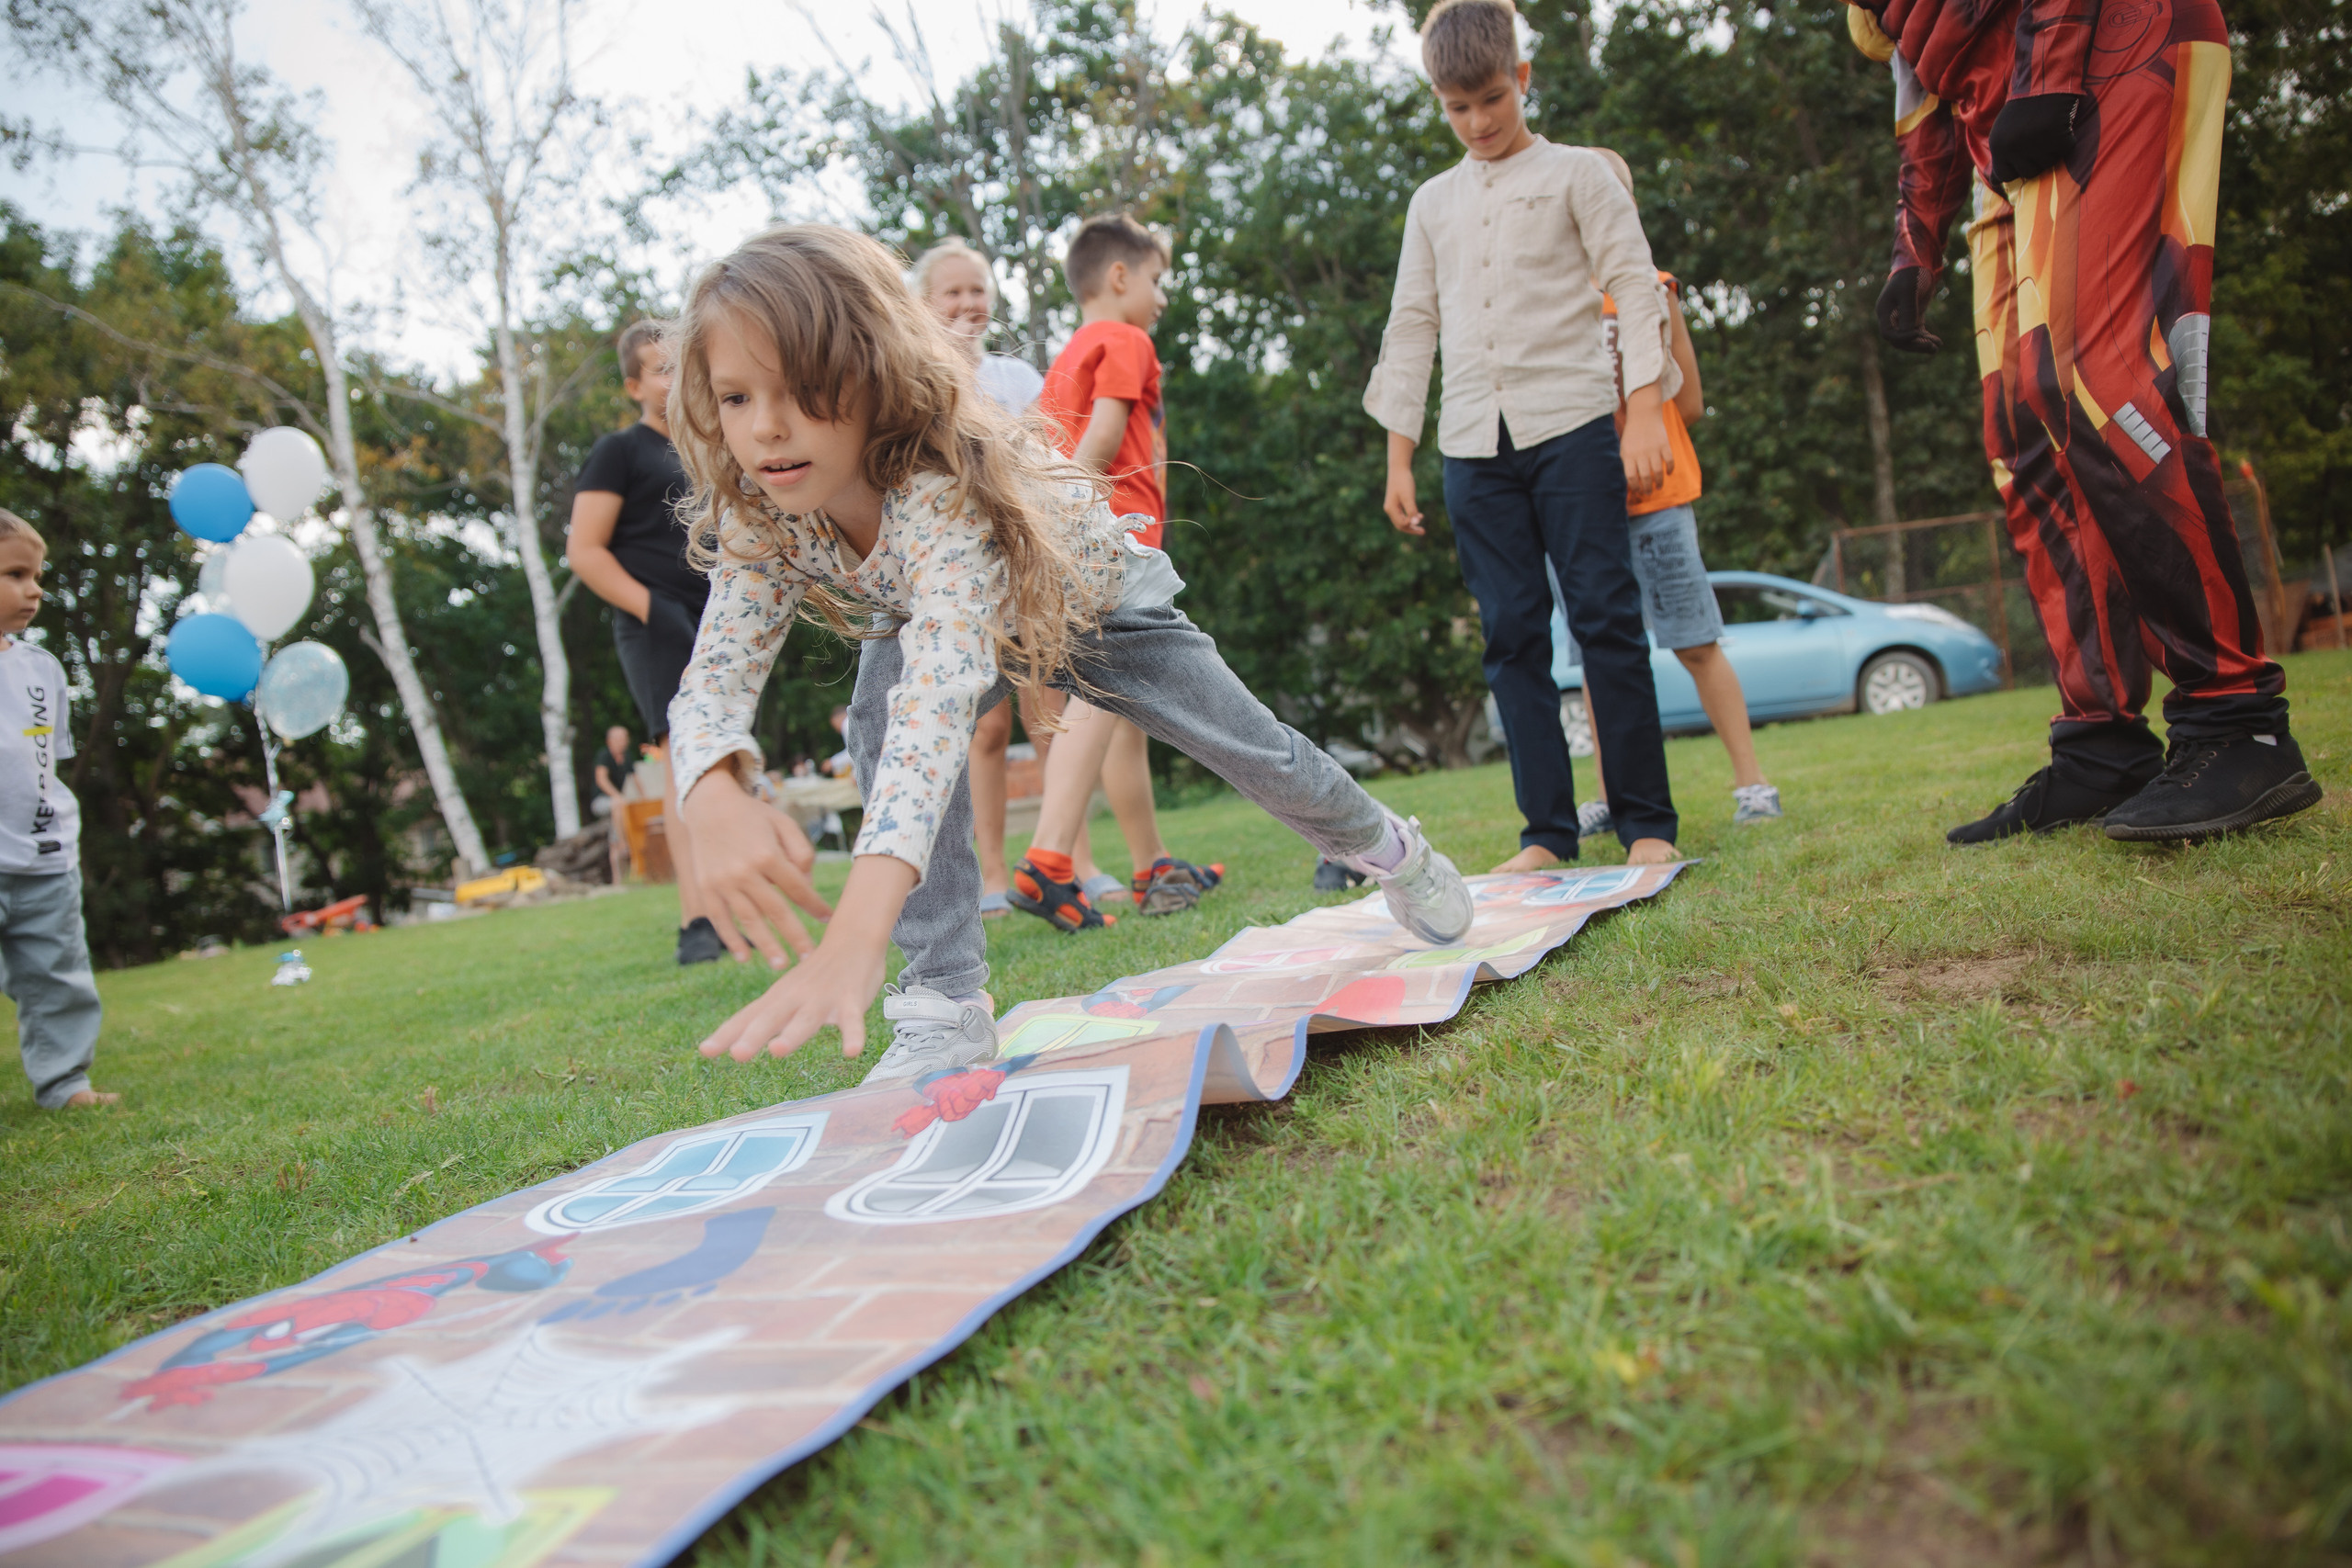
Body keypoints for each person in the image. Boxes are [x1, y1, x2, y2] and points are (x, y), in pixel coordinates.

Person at [664, 225, 1472, 1081]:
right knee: (877, 711)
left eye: (801, 390)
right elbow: (715, 677)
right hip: (952, 629)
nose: (768, 428)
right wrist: (709, 787)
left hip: (1097, 605)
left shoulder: (938, 487)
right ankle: (944, 1000)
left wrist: (859, 924)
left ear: (874, 372)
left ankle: (1390, 849)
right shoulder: (762, 510)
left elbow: (937, 704)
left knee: (1256, 750)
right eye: (736, 397)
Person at [1846, 0, 2319, 843]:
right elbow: (1927, 88)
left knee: (2095, 382)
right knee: (2022, 433)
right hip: (2005, 128)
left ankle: (2237, 720)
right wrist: (1915, 250)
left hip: (2108, 48)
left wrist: (2053, 74)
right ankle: (2101, 746)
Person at [1365, 0, 1680, 874]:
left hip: (1573, 426)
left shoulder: (1581, 175)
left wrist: (1645, 411)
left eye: (1493, 99)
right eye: (1458, 107)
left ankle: (1646, 821)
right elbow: (1411, 325)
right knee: (1509, 635)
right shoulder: (1431, 203)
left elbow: (1635, 286)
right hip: (1472, 445)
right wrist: (1399, 456)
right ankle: (1545, 834)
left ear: (1523, 78)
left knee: (1606, 619)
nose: (1478, 121)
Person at [1012, 212, 1226, 931]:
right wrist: (1076, 515)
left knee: (1119, 708)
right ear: (1119, 276)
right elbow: (1104, 434)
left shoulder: (1066, 359)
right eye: (1157, 280)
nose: (1162, 297)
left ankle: (1151, 864)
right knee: (1105, 690)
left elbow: (1042, 446)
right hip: (1114, 537)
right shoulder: (1127, 339)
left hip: (1076, 545)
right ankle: (1048, 858)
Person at [1567, 150, 1781, 841]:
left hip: (1657, 500)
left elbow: (1687, 404)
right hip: (1580, 504)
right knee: (1599, 655)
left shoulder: (1654, 290)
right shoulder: (1552, 299)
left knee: (1695, 642)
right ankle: (1609, 796)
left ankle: (1753, 784)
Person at [907, 237, 1118, 918]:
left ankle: (1074, 861)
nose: (968, 303)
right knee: (987, 729)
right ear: (923, 303)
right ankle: (992, 872)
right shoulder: (912, 382)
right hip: (955, 575)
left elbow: (1045, 456)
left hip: (1025, 565)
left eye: (978, 291)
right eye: (953, 291)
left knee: (1048, 713)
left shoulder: (1018, 377)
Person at [568, 321, 730, 964]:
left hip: (718, 620)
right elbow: (585, 551)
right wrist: (655, 610)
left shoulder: (709, 449)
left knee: (723, 762)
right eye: (660, 369)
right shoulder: (618, 451)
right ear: (634, 386)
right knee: (681, 762)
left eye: (680, 365)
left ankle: (730, 907)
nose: (674, 378)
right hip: (655, 626)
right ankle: (698, 921)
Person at [0, 510, 113, 1111]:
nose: (34, 589)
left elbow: (45, 760)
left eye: (37, 576)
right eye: (15, 574)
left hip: (44, 856)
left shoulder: (41, 668)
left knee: (57, 976)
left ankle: (66, 1083)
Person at [591, 723, 635, 883]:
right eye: (621, 738)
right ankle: (623, 843)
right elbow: (601, 779)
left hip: (620, 806)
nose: (625, 741)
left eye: (625, 738)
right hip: (602, 802)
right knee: (617, 804)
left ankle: (620, 880)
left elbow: (635, 779)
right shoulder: (604, 755)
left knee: (614, 837)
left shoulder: (627, 757)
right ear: (610, 740)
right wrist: (618, 796)